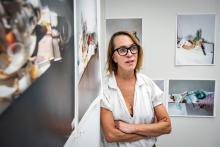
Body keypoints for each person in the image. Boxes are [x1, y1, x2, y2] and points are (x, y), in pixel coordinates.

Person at [100, 31, 171, 147]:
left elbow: (167, 126)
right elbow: (111, 135)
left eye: (133, 48)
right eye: (122, 50)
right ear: (114, 57)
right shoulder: (104, 88)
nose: (129, 54)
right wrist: (151, 131)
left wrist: (130, 128)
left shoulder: (148, 84)